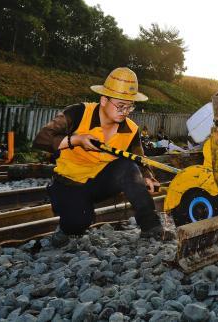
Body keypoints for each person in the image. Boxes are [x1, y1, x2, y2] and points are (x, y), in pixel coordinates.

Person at [33, 67, 163, 245]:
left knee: (128, 167)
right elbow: (41, 139)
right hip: (69, 182)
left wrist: (147, 176)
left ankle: (151, 227)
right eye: (120, 105)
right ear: (103, 100)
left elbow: (137, 157)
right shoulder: (77, 113)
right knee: (77, 223)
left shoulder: (131, 129)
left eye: (130, 106)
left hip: (100, 182)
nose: (125, 111)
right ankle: (67, 225)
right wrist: (77, 140)